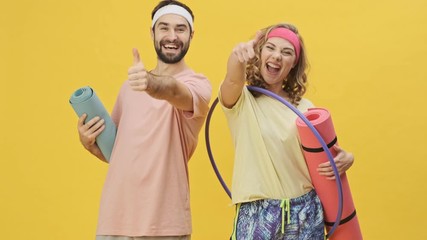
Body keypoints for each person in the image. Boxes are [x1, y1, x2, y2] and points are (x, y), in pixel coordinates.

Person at [77, 1, 212, 239]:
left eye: (180, 29)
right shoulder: (129, 88)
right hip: (115, 220)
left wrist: (150, 83)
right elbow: (117, 154)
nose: (172, 36)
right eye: (164, 28)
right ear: (152, 32)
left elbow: (173, 91)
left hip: (165, 225)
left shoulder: (198, 86)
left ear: (191, 34)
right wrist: (89, 143)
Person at [218, 23, 354, 239]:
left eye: (287, 52)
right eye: (270, 48)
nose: (277, 56)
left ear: (294, 64)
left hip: (306, 211)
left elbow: (325, 156)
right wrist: (239, 55)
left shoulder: (306, 108)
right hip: (258, 213)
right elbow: (232, 78)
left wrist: (346, 158)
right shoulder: (242, 100)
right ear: (259, 53)